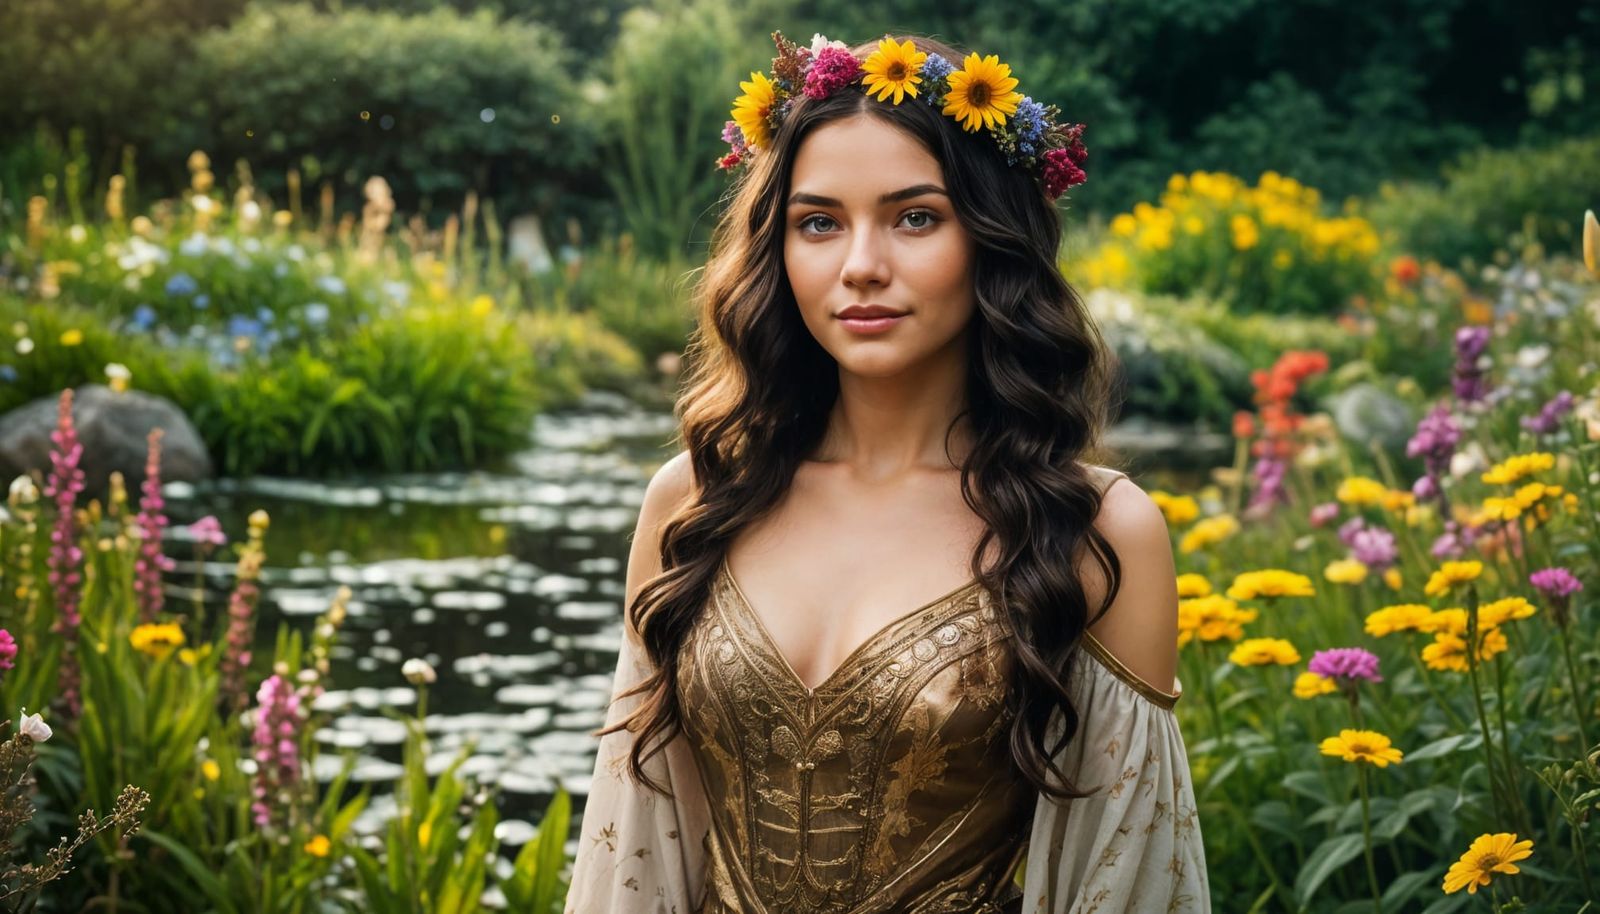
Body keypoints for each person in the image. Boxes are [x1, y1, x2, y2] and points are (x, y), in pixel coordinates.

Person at [564, 31, 1209, 914]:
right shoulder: (695, 501)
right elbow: (632, 843)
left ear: (991, 239)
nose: (861, 265)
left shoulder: (1095, 531)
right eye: (819, 222)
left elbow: (1128, 877)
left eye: (915, 217)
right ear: (777, 249)